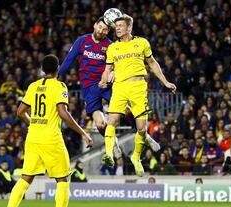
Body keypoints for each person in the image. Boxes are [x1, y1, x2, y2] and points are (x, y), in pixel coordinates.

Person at [0, 54, 93, 207]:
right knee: (63, 179)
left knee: (26, 177)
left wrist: (34, 123)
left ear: (43, 69)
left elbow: (20, 112)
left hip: (33, 137)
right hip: (51, 138)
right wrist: (83, 133)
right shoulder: (59, 86)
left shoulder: (34, 86)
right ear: (58, 69)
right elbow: (63, 112)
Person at [59, 16, 159, 159]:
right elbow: (69, 60)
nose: (101, 31)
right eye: (100, 27)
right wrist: (56, 76)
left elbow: (119, 63)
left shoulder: (111, 45)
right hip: (89, 89)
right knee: (100, 124)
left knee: (126, 109)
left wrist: (113, 71)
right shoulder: (82, 41)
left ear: (108, 32)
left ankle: (144, 133)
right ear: (94, 25)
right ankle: (114, 143)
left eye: (105, 29)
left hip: (106, 85)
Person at [99, 14, 176, 176]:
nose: (117, 28)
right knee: (111, 121)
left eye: (120, 25)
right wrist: (104, 80)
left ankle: (136, 157)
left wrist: (165, 82)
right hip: (120, 87)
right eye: (116, 26)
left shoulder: (141, 43)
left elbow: (153, 63)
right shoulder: (113, 48)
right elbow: (107, 69)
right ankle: (108, 154)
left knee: (141, 129)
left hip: (139, 88)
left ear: (129, 27)